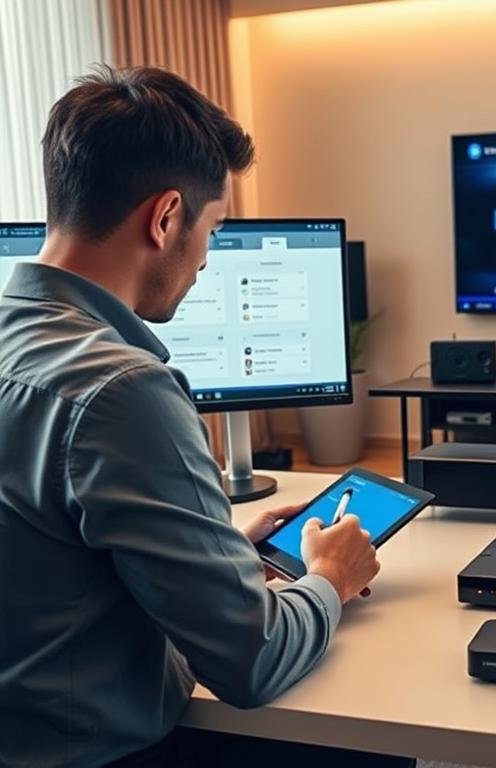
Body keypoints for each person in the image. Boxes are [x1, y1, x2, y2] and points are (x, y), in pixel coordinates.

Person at [0, 66, 400, 768]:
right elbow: (256, 663)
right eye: (212, 228)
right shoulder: (120, 390)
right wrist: (328, 579)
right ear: (165, 218)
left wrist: (217, 553)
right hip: (94, 752)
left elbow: (46, 563)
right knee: (372, 742)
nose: (207, 260)